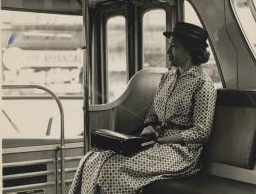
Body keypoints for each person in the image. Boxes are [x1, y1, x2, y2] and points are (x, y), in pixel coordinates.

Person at [68, 22, 217, 194]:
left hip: (181, 152)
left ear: (189, 50)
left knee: (112, 169)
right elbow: (153, 112)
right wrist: (149, 126)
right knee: (92, 159)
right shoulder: (167, 78)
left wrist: (163, 140)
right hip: (155, 142)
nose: (169, 52)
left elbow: (201, 132)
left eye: (174, 46)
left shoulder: (202, 84)